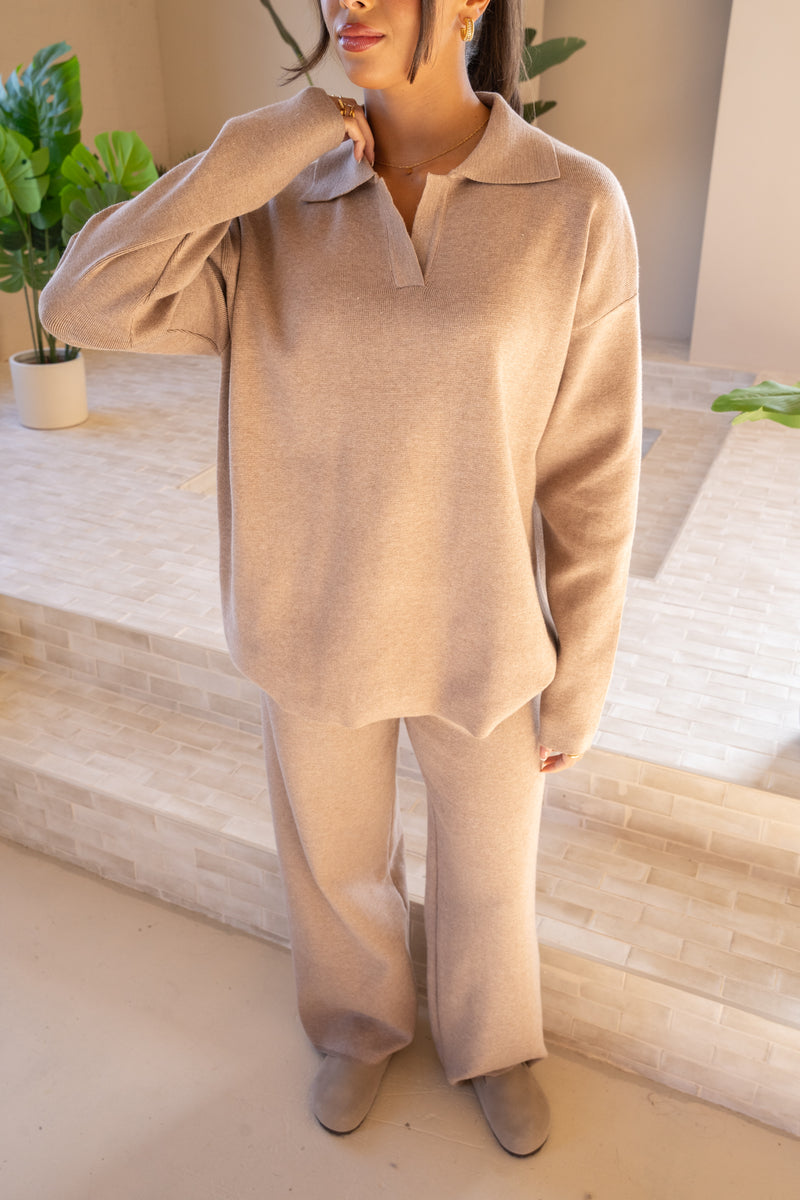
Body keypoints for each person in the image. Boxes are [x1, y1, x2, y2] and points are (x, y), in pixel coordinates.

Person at [40, 0, 641, 1158]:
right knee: (335, 862)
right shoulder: (274, 201)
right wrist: (273, 138)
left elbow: (592, 467)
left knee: (488, 869)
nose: (344, 3)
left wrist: (582, 671)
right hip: (311, 616)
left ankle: (493, 1040)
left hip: (482, 627)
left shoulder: (572, 203)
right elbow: (80, 301)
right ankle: (358, 1024)